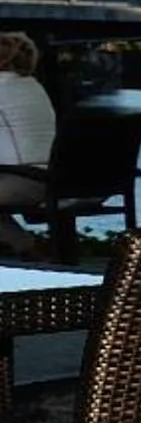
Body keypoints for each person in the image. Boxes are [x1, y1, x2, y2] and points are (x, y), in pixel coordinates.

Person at [0, 32, 54, 256]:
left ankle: (27, 247)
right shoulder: (34, 87)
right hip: (50, 177)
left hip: (23, 180)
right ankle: (27, 247)